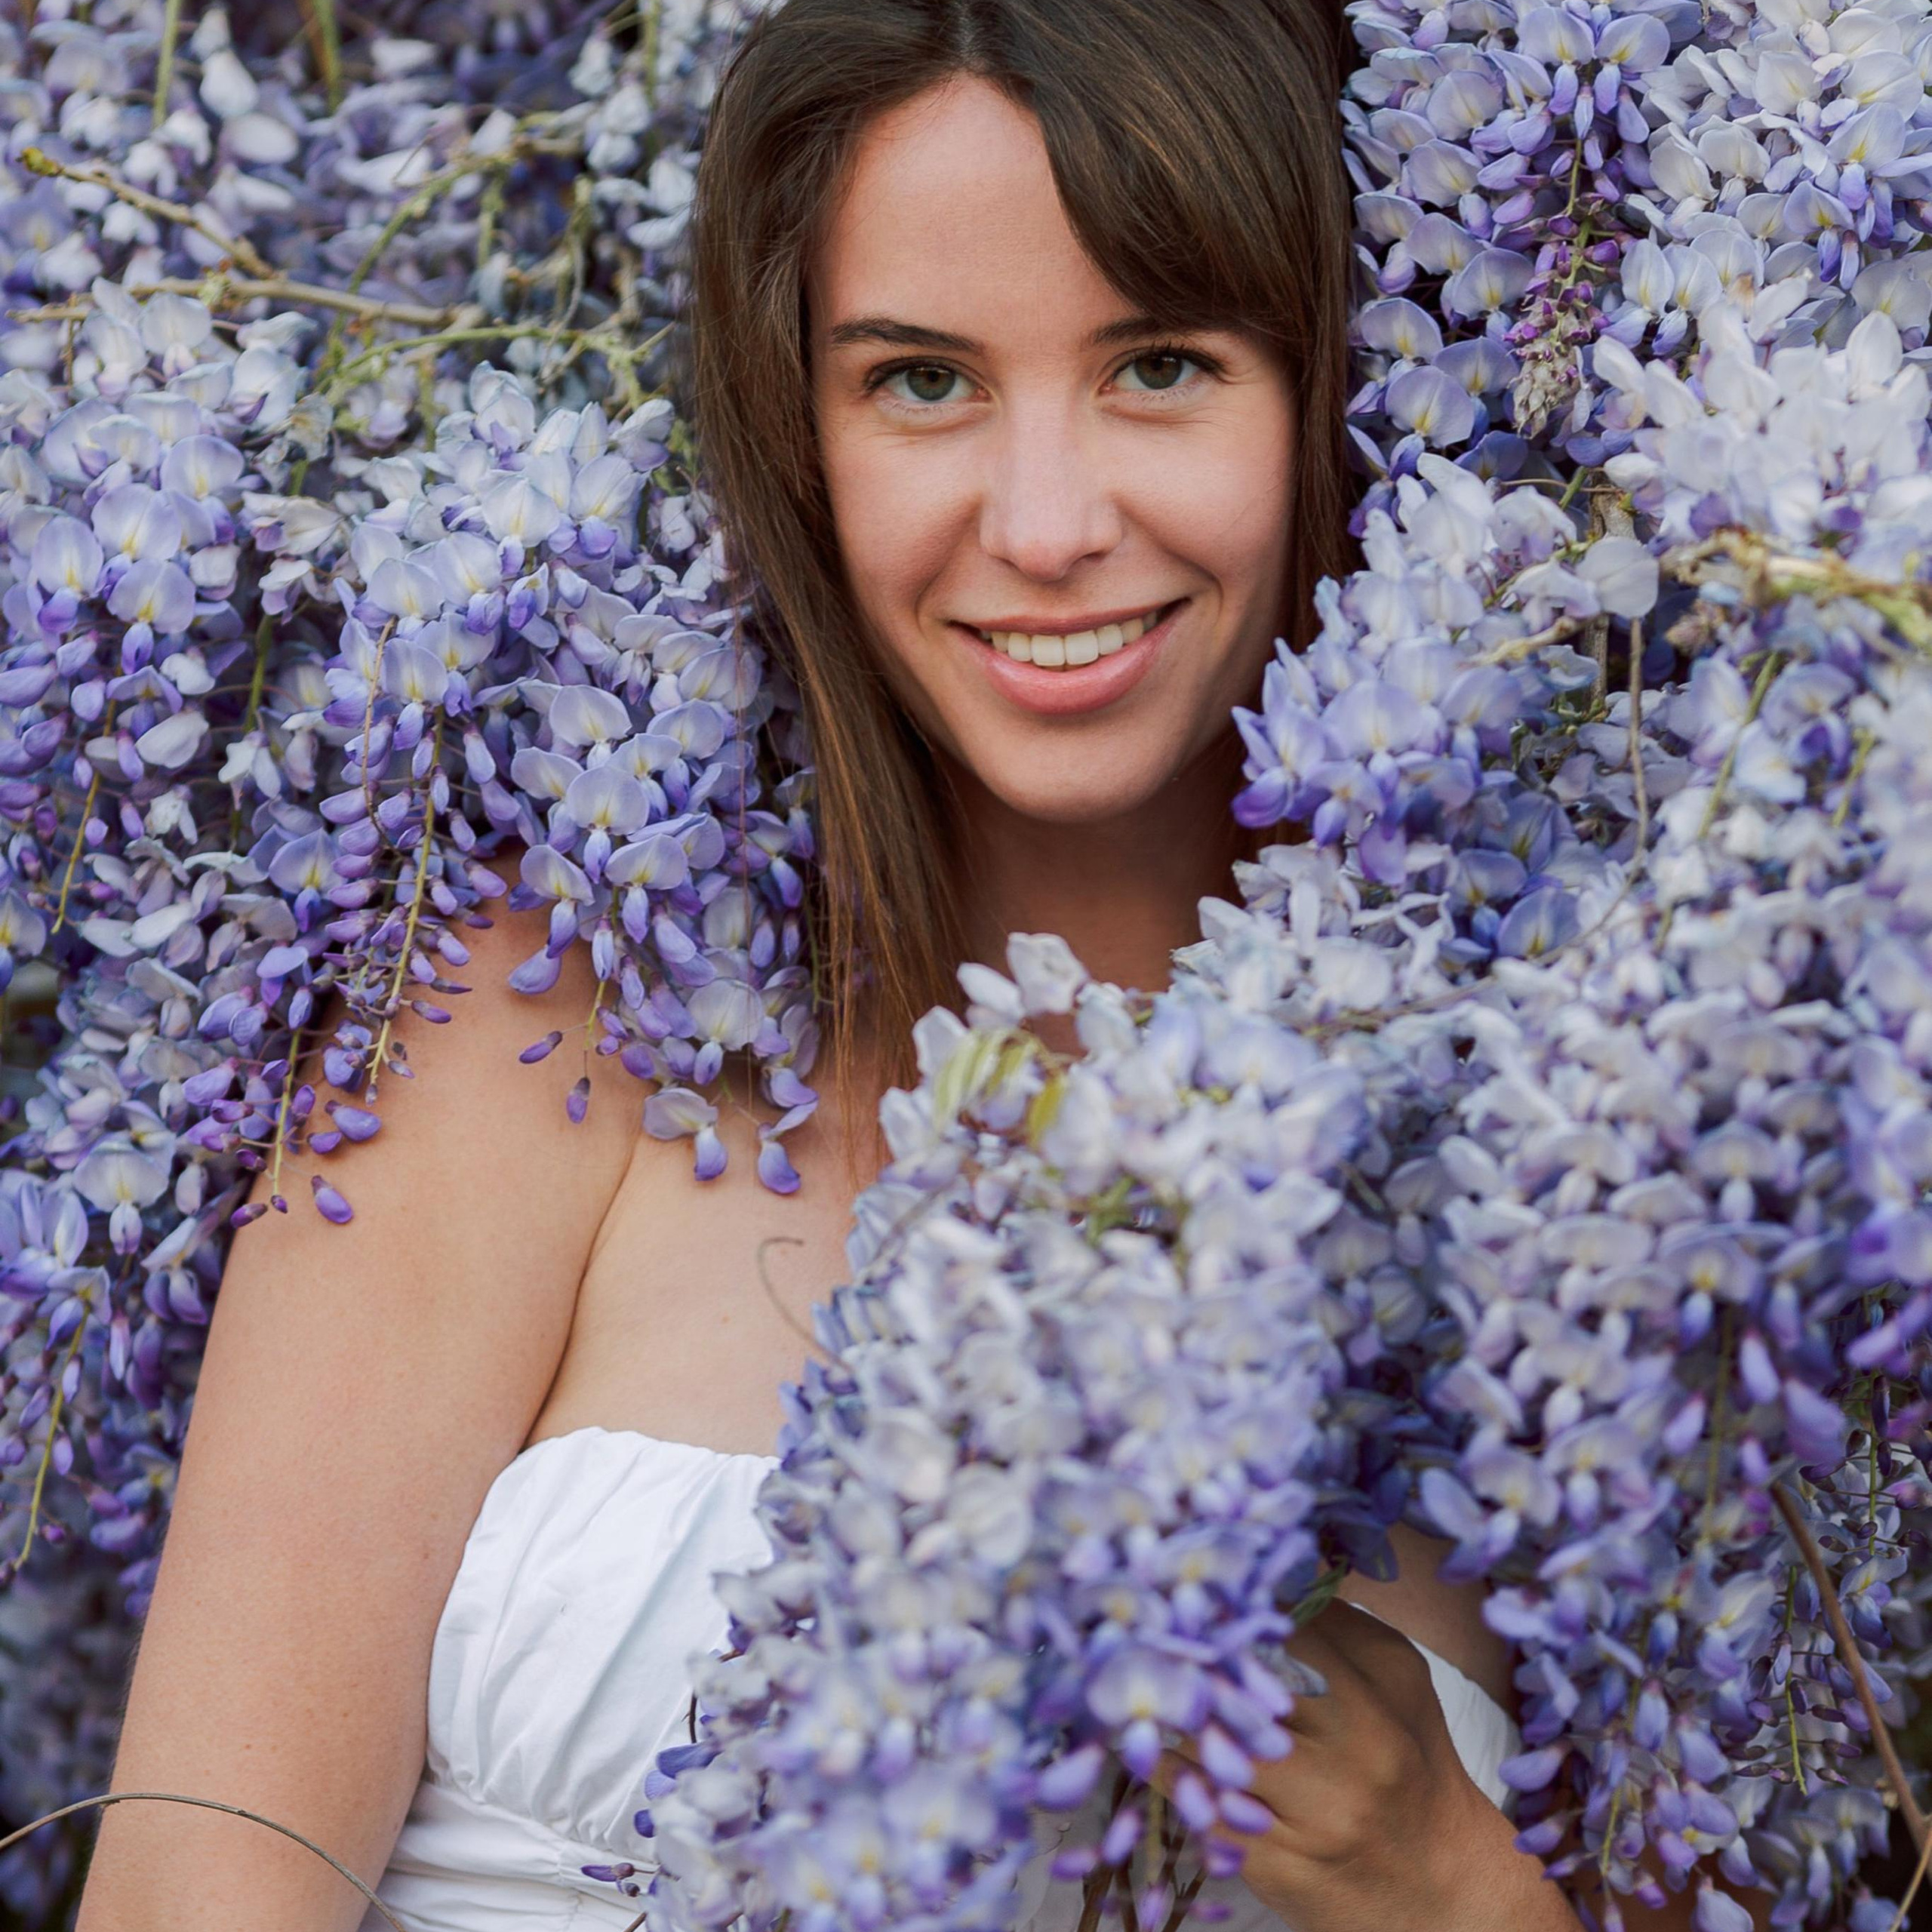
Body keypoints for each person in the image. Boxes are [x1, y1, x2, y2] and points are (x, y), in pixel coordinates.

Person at [75, 3, 1758, 1929]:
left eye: (1158, 364)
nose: (1044, 527)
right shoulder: (540, 1013)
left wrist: (1448, 1883)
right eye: (923, 381)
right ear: (797, 429)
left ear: (1334, 388)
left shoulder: (1584, 1169)